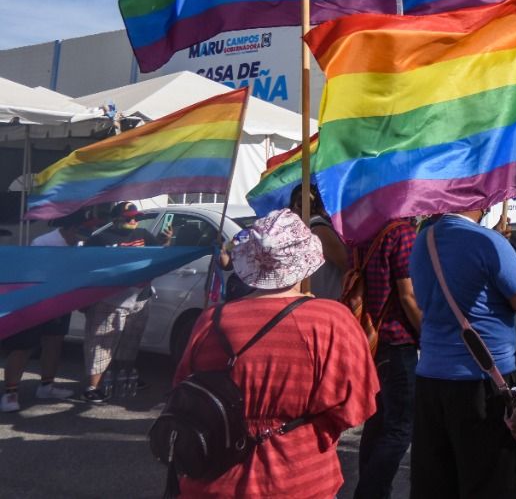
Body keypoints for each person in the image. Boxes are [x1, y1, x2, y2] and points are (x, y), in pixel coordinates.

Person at [173, 208, 377, 498]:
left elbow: (182, 390)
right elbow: (356, 405)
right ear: (305, 263)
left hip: (211, 478)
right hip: (299, 479)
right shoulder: (331, 320)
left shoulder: (211, 319)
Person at [409, 208, 516, 498]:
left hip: (431, 376)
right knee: (492, 481)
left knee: (437, 483)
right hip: (484, 379)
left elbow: (420, 296)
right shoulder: (487, 241)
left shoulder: (423, 240)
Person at [351, 217, 422, 499]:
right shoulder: (402, 234)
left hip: (372, 336)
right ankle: (371, 492)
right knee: (401, 428)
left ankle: (370, 490)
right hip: (399, 338)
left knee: (378, 420)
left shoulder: (363, 231)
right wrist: (427, 334)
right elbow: (408, 296)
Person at [81, 201, 171, 403]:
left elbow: (158, 257)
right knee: (101, 344)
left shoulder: (144, 235)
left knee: (131, 341)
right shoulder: (99, 239)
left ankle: (125, 376)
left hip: (141, 297)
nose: (133, 220)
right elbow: (85, 267)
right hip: (109, 299)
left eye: (136, 217)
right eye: (128, 217)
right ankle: (92, 386)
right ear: (115, 219)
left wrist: (166, 242)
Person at [1, 213, 88, 412]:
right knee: (23, 347)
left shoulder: (80, 246)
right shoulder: (43, 242)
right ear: (70, 229)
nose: (81, 237)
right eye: (79, 232)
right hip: (37, 301)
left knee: (54, 342)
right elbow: (31, 273)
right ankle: (10, 394)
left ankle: (46, 387)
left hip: (60, 302)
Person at [294, 184, 347, 301]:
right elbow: (347, 264)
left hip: (315, 298)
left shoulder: (305, 227)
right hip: (328, 299)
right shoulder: (319, 228)